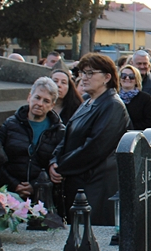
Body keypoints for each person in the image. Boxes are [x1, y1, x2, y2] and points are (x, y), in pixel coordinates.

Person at [49, 53, 130, 226]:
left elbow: (94, 148)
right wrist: (54, 160)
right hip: (77, 179)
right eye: (82, 73)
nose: (84, 77)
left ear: (107, 77)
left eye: (90, 73)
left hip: (96, 184)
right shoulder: (87, 101)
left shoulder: (113, 105)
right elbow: (68, 134)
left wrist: (62, 167)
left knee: (89, 231)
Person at [0, 77, 65, 197]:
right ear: (29, 97)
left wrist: (35, 185)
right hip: (8, 193)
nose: (40, 104)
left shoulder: (59, 131)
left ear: (52, 105)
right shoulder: (10, 125)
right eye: (37, 97)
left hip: (42, 195)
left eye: (46, 101)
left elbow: (60, 166)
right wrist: (14, 185)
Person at [118, 66, 151, 131]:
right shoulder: (114, 97)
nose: (127, 78)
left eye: (131, 76)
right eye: (123, 76)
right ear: (119, 79)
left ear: (136, 80)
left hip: (137, 134)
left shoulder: (145, 98)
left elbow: (150, 122)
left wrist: (129, 128)